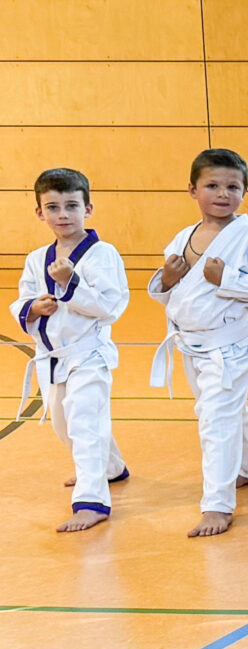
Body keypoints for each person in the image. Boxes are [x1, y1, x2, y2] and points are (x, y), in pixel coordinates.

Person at [147, 149, 248, 538]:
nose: (223, 194)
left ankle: (217, 504)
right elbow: (173, 298)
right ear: (192, 190)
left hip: (229, 347)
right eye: (213, 185)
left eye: (233, 186)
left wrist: (227, 279)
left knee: (216, 418)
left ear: (245, 191)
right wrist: (165, 280)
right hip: (190, 345)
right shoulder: (183, 236)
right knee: (228, 411)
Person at [16, 168, 127, 532]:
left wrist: (70, 284)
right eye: (52, 207)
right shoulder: (36, 257)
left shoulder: (102, 254)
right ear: (39, 213)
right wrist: (33, 307)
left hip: (88, 354)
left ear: (88, 208)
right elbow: (23, 297)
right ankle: (110, 468)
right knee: (64, 426)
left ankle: (91, 501)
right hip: (52, 358)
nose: (62, 214)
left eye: (71, 206)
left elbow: (110, 306)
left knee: (85, 422)